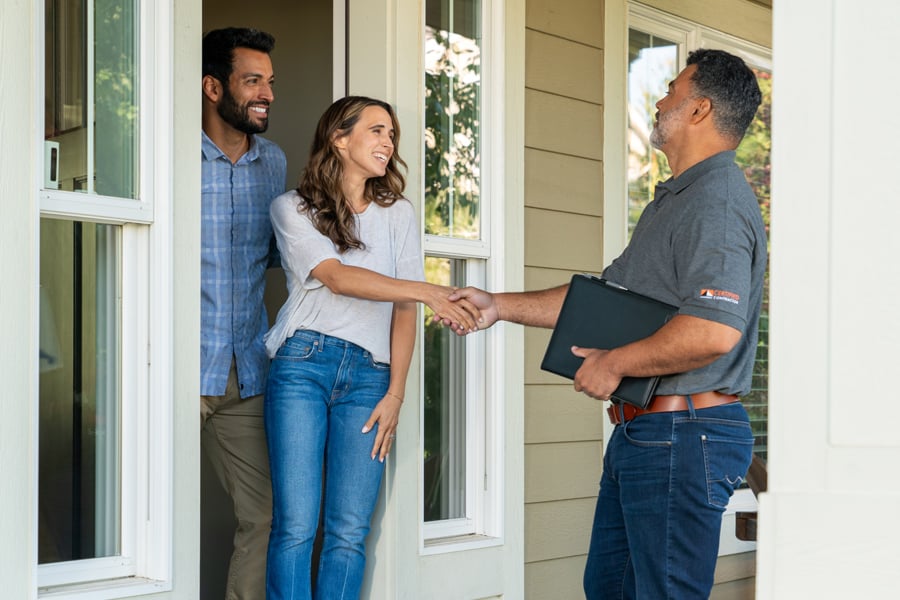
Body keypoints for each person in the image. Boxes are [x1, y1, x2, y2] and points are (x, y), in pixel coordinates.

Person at [450, 48, 766, 599]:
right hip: (651, 433)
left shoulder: (715, 200)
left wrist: (615, 362)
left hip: (683, 434)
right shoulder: (676, 200)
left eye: (672, 88)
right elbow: (605, 302)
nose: (660, 99)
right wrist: (497, 304)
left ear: (700, 110)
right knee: (610, 589)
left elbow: (714, 329)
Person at [263, 96, 479, 600]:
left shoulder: (397, 214)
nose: (389, 143)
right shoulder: (291, 208)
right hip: (304, 366)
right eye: (377, 131)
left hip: (370, 379)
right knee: (296, 525)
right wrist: (430, 291)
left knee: (348, 531)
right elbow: (337, 279)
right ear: (340, 138)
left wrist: (396, 392)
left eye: (392, 134)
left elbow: (403, 309)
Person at [200, 27, 286, 600]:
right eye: (252, 80)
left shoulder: (273, 163)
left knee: (264, 518)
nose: (268, 94)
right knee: (142, 517)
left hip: (245, 374)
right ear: (213, 87)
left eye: (270, 82)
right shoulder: (161, 151)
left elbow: (287, 260)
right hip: (171, 367)